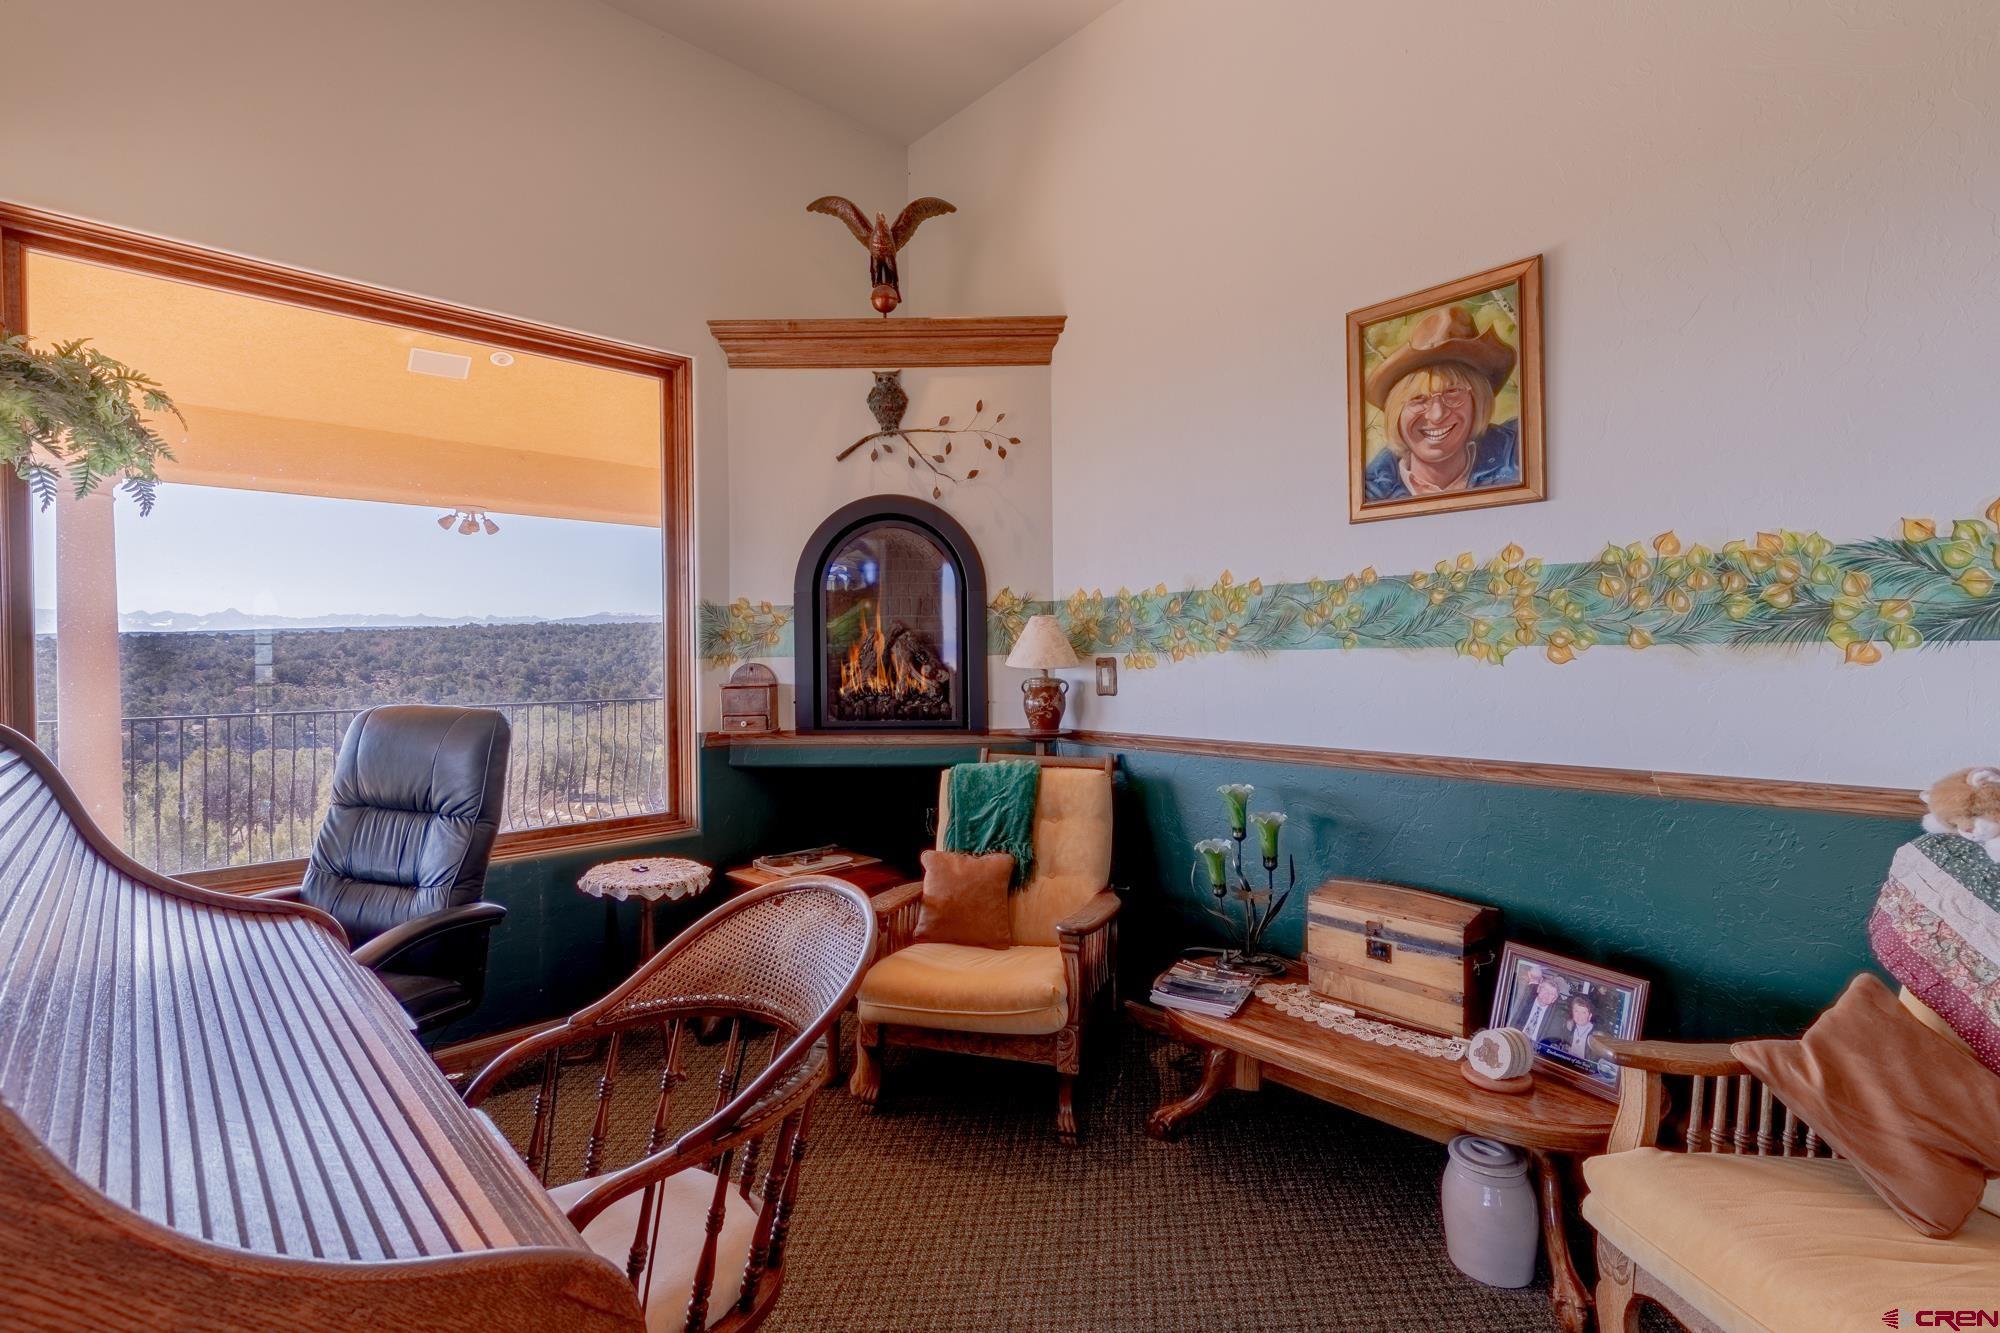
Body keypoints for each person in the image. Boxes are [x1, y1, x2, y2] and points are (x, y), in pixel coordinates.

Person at [1362, 304, 1520, 503]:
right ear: (1396, 412)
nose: (1437, 414)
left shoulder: (1517, 453)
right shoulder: (1371, 490)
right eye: (1418, 398)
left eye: (1453, 392)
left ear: (1477, 401)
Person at [1505, 965, 1570, 1045]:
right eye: (1545, 990)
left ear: (1554, 999)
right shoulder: (1524, 1000)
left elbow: (1552, 1040)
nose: (1547, 995)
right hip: (1514, 1039)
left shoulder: (1556, 1015)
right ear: (1538, 989)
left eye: (1552, 994)